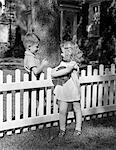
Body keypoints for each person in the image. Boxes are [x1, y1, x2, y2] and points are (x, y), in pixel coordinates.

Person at [51, 41, 82, 138]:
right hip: (63, 90)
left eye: (63, 52)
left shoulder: (74, 64)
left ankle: (78, 128)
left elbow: (67, 70)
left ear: (70, 53)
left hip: (73, 90)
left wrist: (59, 72)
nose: (61, 54)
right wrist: (56, 71)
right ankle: (62, 129)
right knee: (62, 111)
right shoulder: (62, 63)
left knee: (77, 109)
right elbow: (53, 73)